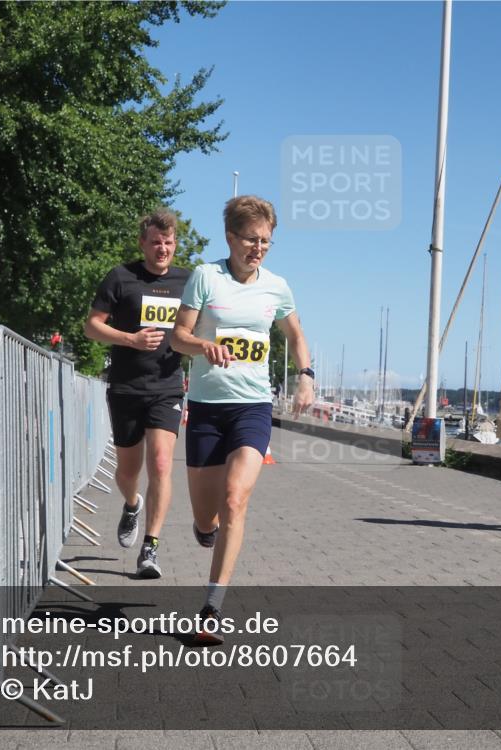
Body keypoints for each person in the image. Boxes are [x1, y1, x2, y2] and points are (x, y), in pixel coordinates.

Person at [170, 195, 313, 644]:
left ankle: (211, 608)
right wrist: (202, 346)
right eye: (251, 239)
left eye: (266, 241)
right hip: (208, 408)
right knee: (206, 513)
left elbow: (295, 333)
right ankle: (204, 528)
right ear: (231, 237)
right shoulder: (205, 277)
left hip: (252, 406)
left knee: (235, 500)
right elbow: (178, 337)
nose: (259, 248)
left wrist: (305, 376)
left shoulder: (277, 286)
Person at [85, 208, 190, 578]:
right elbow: (92, 327)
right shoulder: (121, 277)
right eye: (156, 242)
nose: (163, 248)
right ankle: (132, 504)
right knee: (128, 471)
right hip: (127, 386)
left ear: (176, 244)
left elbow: (199, 330)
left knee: (161, 463)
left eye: (169, 242)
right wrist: (130, 339)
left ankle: (151, 547)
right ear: (143, 243)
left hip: (167, 387)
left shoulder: (187, 282)